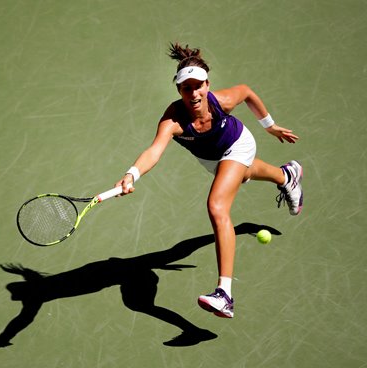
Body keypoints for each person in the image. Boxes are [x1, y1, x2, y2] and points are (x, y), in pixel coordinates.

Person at [115, 43, 303, 319]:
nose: (193, 93)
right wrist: (132, 173)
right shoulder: (172, 121)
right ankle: (287, 176)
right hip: (211, 159)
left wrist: (270, 126)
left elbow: (247, 91)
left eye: (198, 86)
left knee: (217, 206)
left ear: (207, 85)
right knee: (245, 173)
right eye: (186, 88)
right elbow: (154, 151)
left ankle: (224, 294)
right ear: (179, 90)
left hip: (238, 144)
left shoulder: (221, 101)